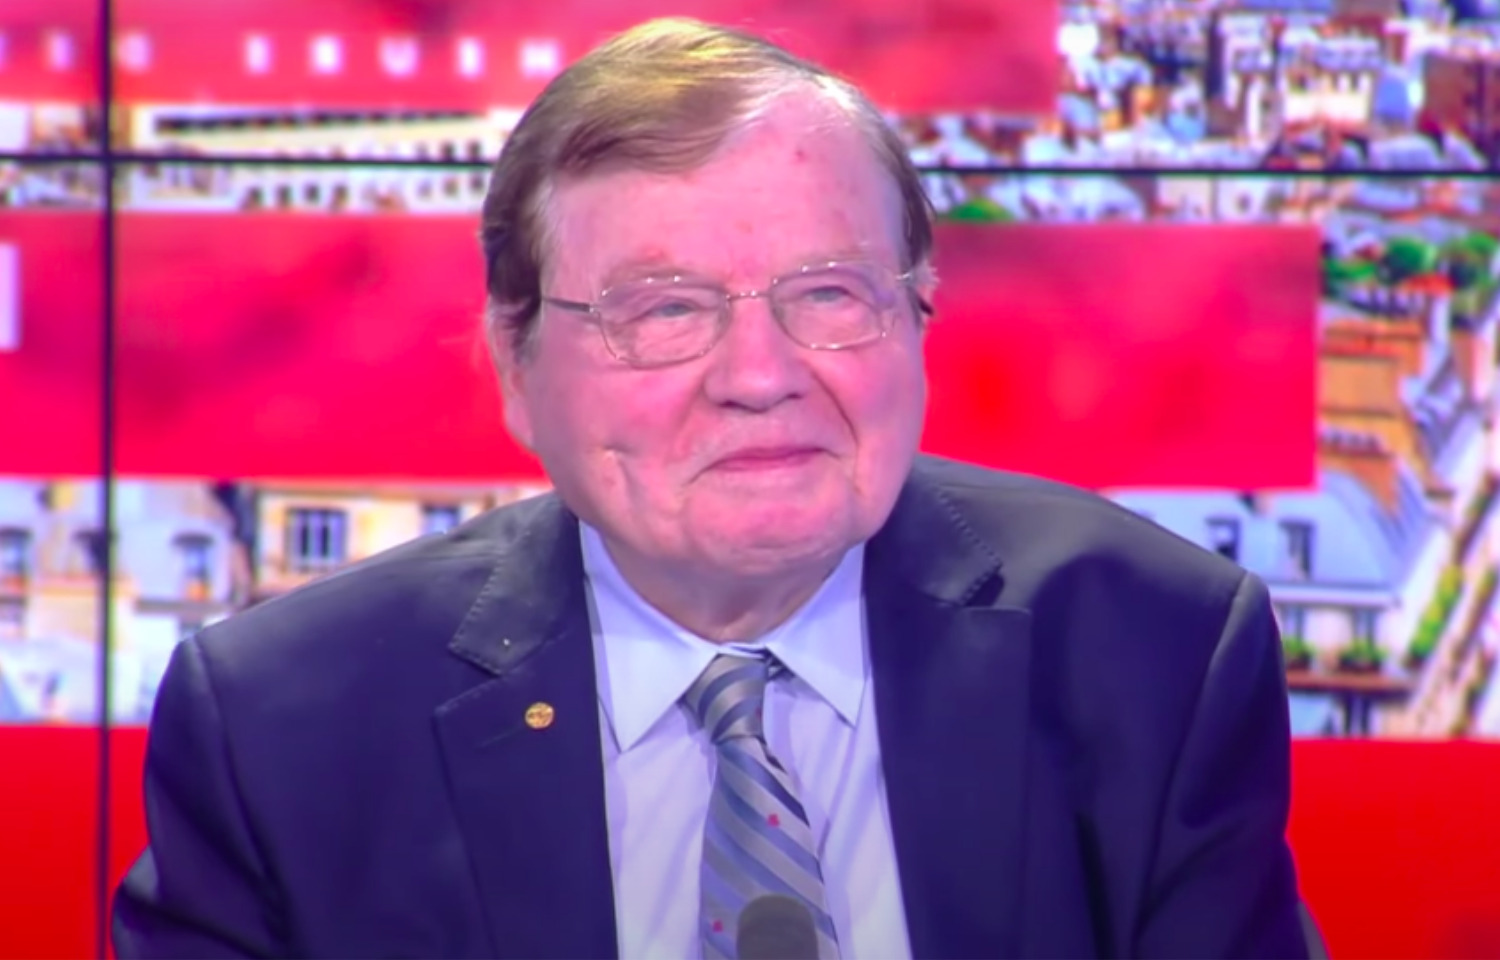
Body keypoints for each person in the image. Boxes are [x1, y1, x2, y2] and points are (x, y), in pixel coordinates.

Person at [113, 17, 1309, 960]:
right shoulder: (283, 732)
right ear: (515, 367)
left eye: (830, 293)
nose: (760, 376)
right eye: (664, 310)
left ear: (918, 319)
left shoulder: (1155, 654)